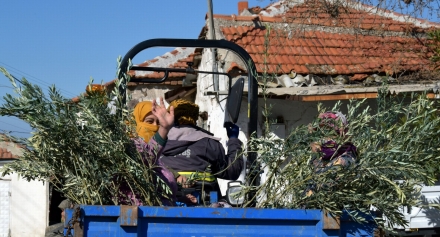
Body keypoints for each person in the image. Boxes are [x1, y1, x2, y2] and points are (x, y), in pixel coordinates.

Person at [160, 99, 244, 189]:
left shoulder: (158, 143)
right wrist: (233, 139)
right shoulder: (209, 143)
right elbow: (232, 171)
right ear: (195, 118)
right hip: (204, 199)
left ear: (170, 117)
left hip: (164, 200)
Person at [118, 98, 177, 206]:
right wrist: (163, 129)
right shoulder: (127, 147)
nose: (155, 126)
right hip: (139, 217)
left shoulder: (159, 156)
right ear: (135, 122)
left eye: (158, 122)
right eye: (149, 122)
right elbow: (146, 158)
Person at [307, 111, 358, 196]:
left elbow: (325, 186)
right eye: (321, 132)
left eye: (330, 132)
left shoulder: (346, 157)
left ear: (341, 135)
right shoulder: (317, 158)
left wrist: (311, 194)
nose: (324, 137)